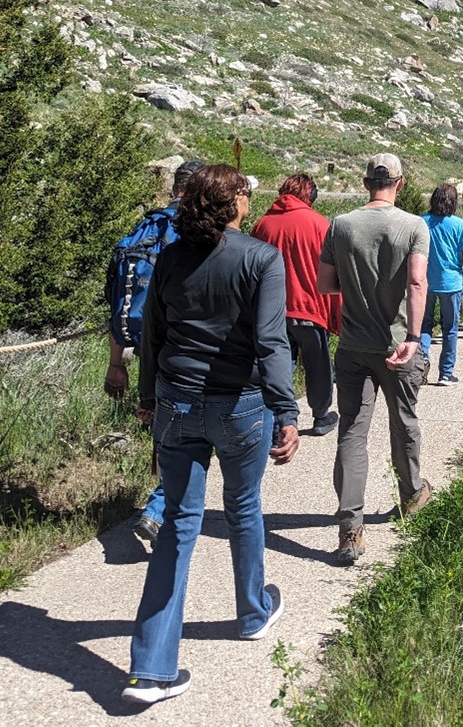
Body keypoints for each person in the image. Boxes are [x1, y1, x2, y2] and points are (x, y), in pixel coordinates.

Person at [122, 164, 300, 704]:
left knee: (178, 521)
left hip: (176, 400)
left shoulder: (172, 257)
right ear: (236, 203)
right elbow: (271, 342)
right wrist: (286, 410)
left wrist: (149, 398)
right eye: (247, 192)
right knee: (244, 505)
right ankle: (251, 612)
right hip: (241, 403)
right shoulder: (260, 259)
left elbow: (153, 332)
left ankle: (151, 668)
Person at [317, 153, 431, 565]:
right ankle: (412, 493)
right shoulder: (413, 226)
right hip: (397, 343)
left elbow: (326, 284)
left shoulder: (342, 225)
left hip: (353, 345)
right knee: (403, 421)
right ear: (399, 183)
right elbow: (417, 281)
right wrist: (414, 337)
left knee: (351, 433)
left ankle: (350, 528)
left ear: (366, 182)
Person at [103, 159, 204, 549]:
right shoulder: (189, 233)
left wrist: (116, 364)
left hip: (144, 342)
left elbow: (118, 300)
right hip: (179, 347)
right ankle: (160, 509)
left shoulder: (145, 228)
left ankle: (163, 499)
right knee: (184, 432)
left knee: (166, 426)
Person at [251, 173, 341, 437]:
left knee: (277, 367)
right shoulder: (319, 224)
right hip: (310, 309)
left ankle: (277, 420)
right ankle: (321, 416)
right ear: (310, 195)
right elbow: (334, 271)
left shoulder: (263, 224)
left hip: (272, 312)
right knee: (318, 366)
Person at [420, 184, 463, 385]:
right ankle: (445, 372)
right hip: (451, 283)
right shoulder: (459, 225)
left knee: (423, 325)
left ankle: (422, 357)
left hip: (424, 281)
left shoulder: (422, 222)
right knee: (450, 328)